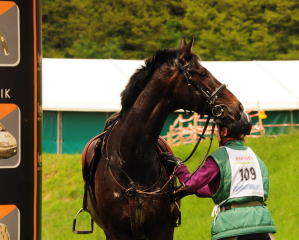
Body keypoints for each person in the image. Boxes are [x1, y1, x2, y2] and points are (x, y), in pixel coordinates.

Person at [162, 112, 276, 240]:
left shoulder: (220, 158)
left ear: (225, 132)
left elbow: (190, 184)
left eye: (218, 129)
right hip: (264, 225)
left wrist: (178, 166)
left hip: (233, 228)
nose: (216, 133)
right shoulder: (256, 158)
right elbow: (226, 189)